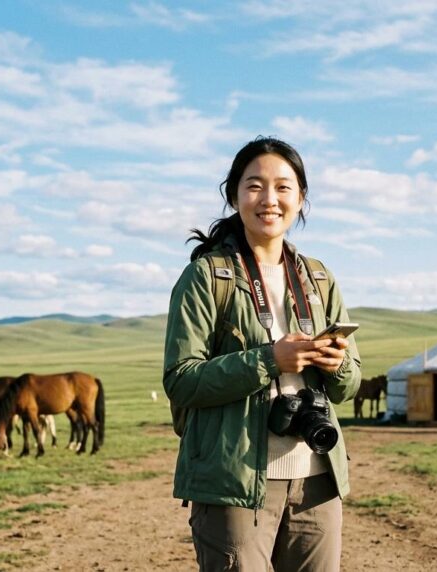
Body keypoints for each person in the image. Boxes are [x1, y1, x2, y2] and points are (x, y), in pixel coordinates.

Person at [163, 137, 361, 571]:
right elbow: (181, 378)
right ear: (234, 196)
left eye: (283, 187)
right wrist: (270, 360)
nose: (269, 199)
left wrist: (337, 364)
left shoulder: (319, 278)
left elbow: (349, 386)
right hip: (233, 485)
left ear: (301, 198)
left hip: (316, 479)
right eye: (254, 186)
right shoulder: (205, 277)